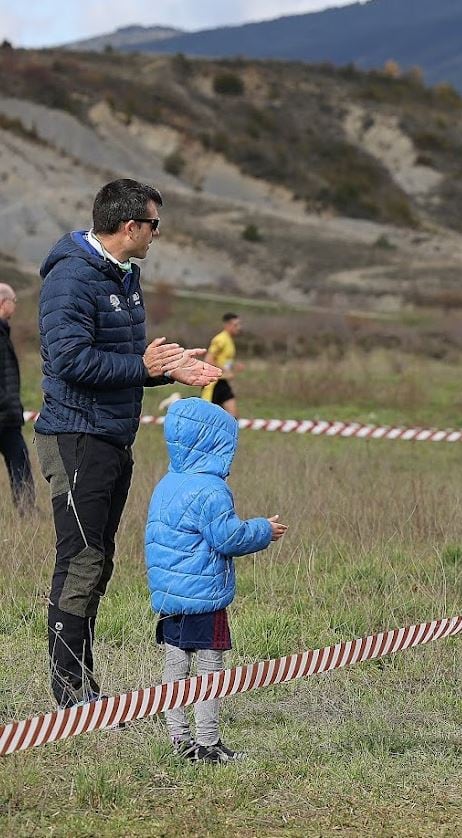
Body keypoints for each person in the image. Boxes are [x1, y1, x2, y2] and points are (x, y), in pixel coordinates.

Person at [35, 178, 221, 708]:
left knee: (100, 560)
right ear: (130, 226)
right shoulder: (70, 279)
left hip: (113, 434)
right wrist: (142, 365)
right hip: (75, 435)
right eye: (154, 225)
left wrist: (167, 369)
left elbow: (123, 363)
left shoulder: (125, 276)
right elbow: (69, 360)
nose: (158, 235)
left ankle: (83, 683)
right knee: (81, 559)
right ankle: (70, 691)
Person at [145, 398, 287, 763]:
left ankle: (179, 740)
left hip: (170, 597)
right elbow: (228, 538)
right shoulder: (211, 490)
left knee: (175, 669)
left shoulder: (167, 483)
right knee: (210, 671)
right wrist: (263, 530)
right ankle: (208, 743)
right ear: (215, 445)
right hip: (203, 596)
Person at [0, 283, 34, 513]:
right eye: (14, 301)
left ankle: (26, 509)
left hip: (8, 414)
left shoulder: (4, 331)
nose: (15, 305)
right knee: (19, 461)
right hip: (4, 413)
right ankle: (27, 510)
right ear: (4, 303)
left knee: (19, 461)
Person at [201, 313, 244, 418]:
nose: (239, 328)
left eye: (239, 324)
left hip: (222, 381)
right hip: (213, 383)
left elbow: (224, 359)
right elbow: (208, 359)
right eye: (236, 325)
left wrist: (234, 365)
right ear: (227, 325)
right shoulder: (220, 339)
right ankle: (174, 402)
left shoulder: (229, 340)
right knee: (204, 418)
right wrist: (225, 370)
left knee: (233, 418)